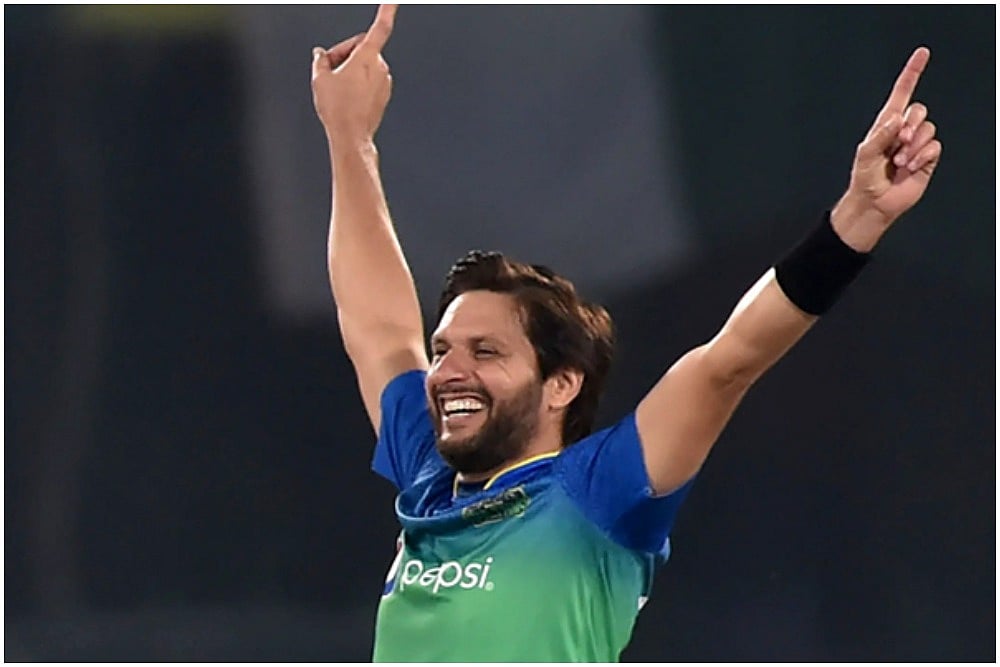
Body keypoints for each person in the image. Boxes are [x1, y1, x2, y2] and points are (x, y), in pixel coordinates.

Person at [310, 5, 941, 662]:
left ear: (561, 384)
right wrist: (348, 138)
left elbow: (728, 361)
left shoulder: (599, 491)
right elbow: (379, 327)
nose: (447, 371)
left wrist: (858, 219)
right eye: (442, 350)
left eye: (486, 350)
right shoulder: (428, 477)